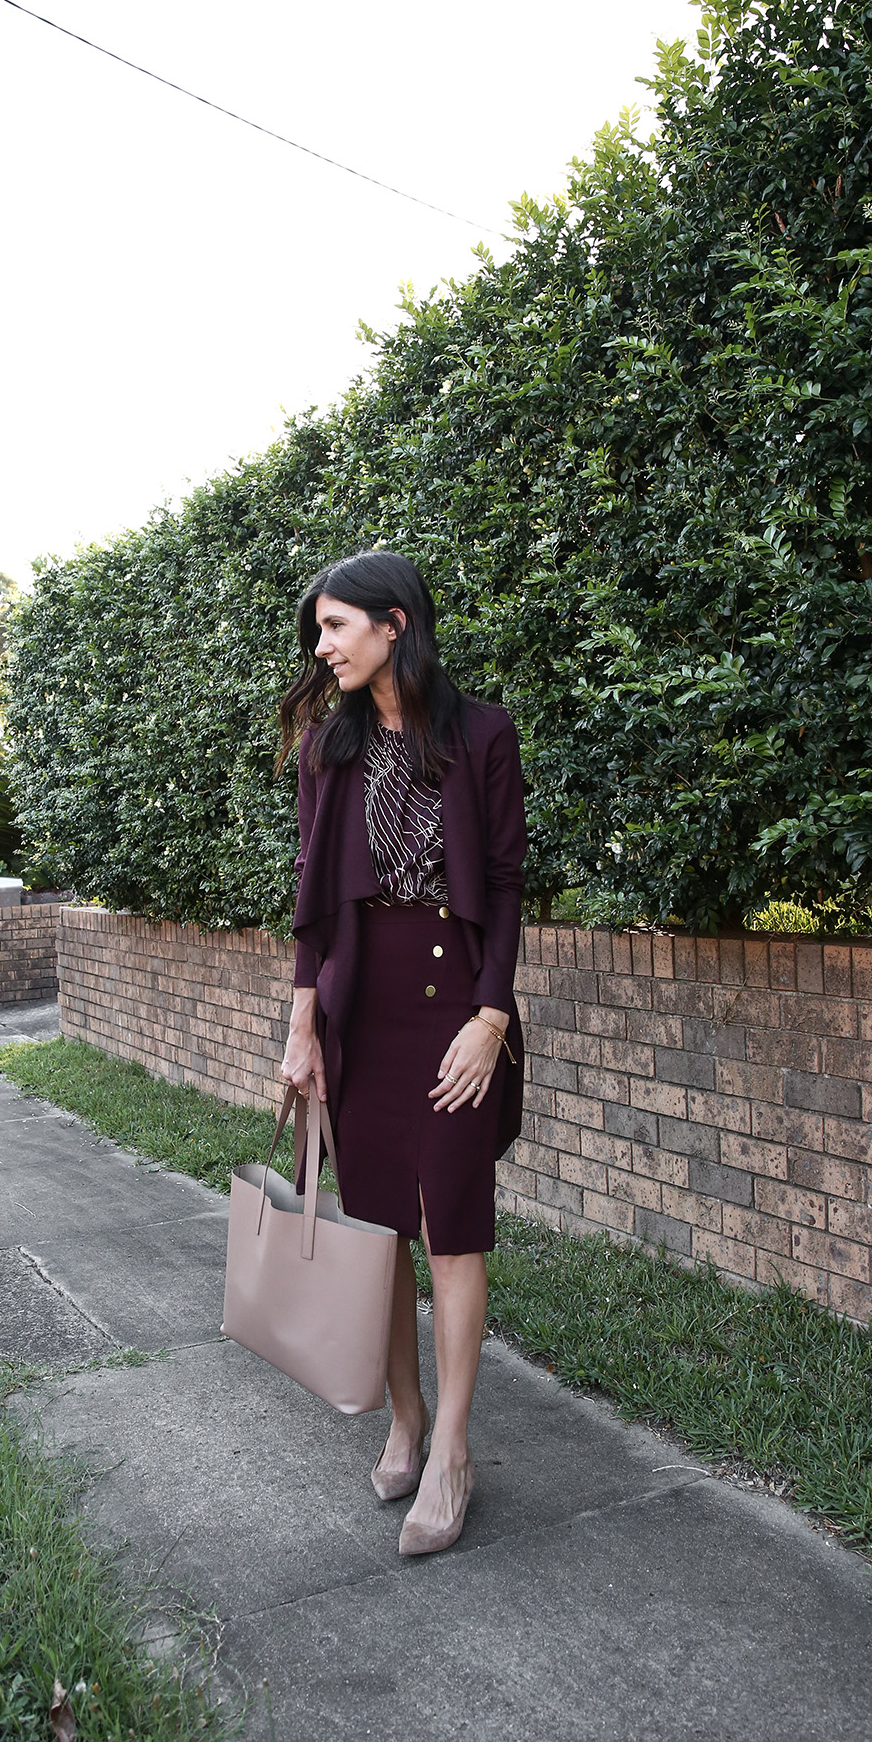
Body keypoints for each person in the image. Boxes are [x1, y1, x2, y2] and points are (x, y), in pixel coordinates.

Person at [278, 551, 526, 1556]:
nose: (322, 648)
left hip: (454, 1003)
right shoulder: (325, 749)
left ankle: (455, 1449)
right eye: (318, 633)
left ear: (393, 625)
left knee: (450, 1226)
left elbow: (505, 886)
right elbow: (308, 898)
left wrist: (491, 1016)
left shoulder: (480, 735)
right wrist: (301, 1029)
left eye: (334, 627)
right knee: (377, 1230)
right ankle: (405, 1419)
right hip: (361, 1002)